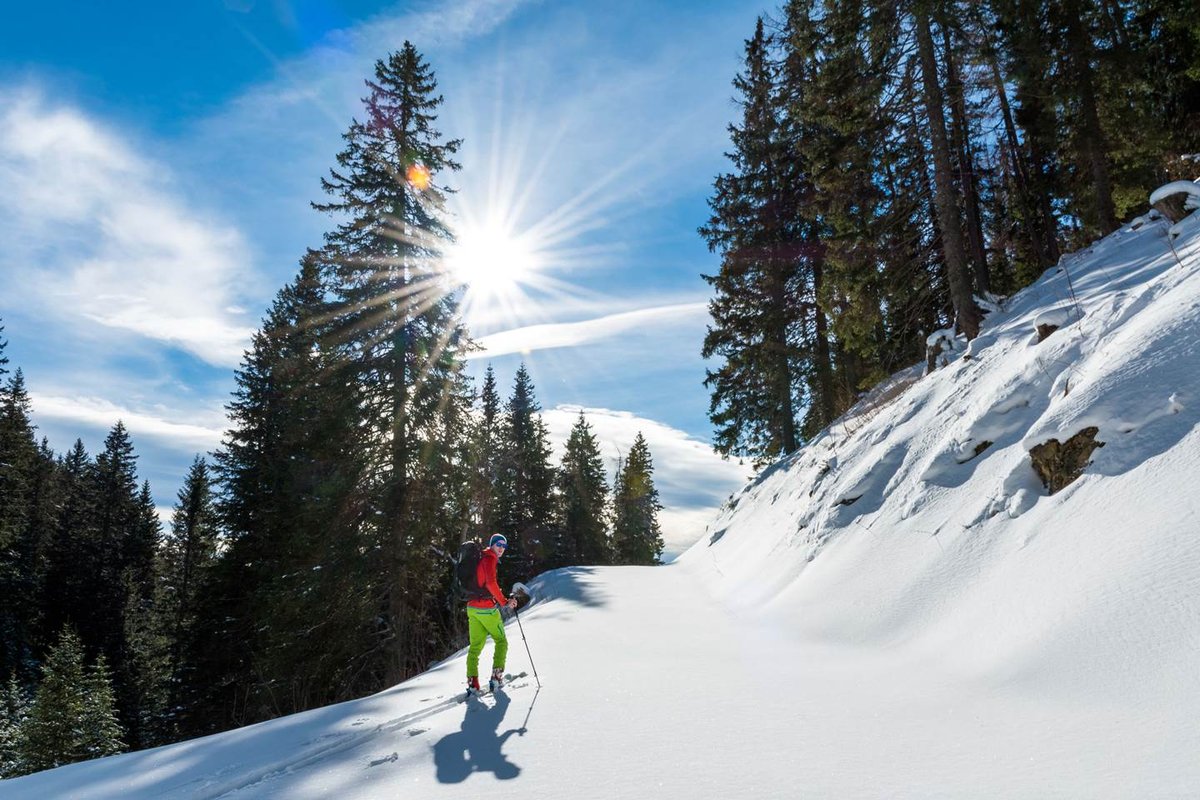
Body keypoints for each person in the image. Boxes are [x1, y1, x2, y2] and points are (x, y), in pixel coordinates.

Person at [467, 534, 517, 694]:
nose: (501, 548)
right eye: (498, 544)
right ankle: (496, 678)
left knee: (475, 648)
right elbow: (490, 583)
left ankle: (472, 684)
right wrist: (504, 602)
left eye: (504, 545)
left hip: (472, 608)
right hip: (486, 609)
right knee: (501, 641)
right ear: (492, 545)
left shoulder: (480, 558)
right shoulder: (490, 558)